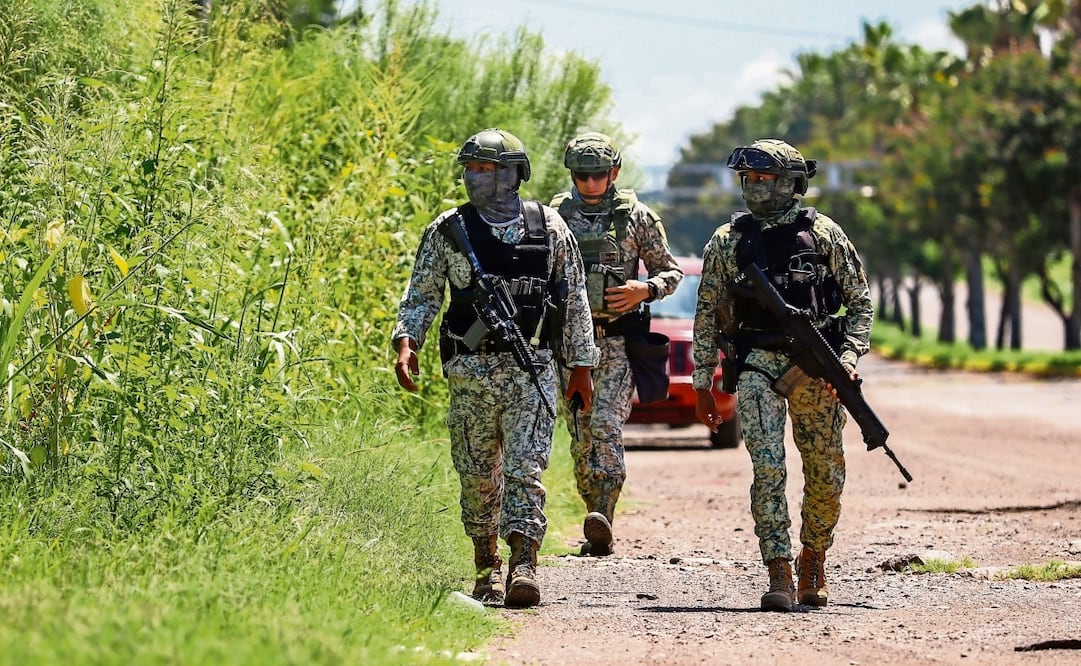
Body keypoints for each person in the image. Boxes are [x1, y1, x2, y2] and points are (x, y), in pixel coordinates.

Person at [392, 128, 598, 609]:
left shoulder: (549, 228)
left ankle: (523, 563)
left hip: (532, 371)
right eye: (471, 169)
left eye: (487, 169)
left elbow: (574, 301)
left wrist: (582, 366)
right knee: (478, 475)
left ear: (512, 174)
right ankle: (485, 567)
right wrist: (408, 342)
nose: (476, 177)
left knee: (526, 469)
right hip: (469, 374)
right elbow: (422, 295)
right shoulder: (448, 230)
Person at [691, 138, 873, 612]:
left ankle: (813, 556)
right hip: (756, 366)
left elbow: (859, 303)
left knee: (825, 470)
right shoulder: (727, 241)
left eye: (764, 179)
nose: (753, 187)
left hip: (816, 369)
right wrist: (702, 383)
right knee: (768, 468)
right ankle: (779, 569)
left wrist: (848, 359)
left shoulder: (825, 234)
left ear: (792, 184)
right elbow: (707, 313)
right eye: (748, 179)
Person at [550, 131, 682, 556]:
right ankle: (594, 515)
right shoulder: (554, 216)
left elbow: (671, 271)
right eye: (582, 176)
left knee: (606, 425)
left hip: (619, 343)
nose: (590, 184)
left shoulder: (636, 217)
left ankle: (603, 514)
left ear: (615, 173)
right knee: (582, 434)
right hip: (571, 348)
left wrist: (643, 290)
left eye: (598, 176)